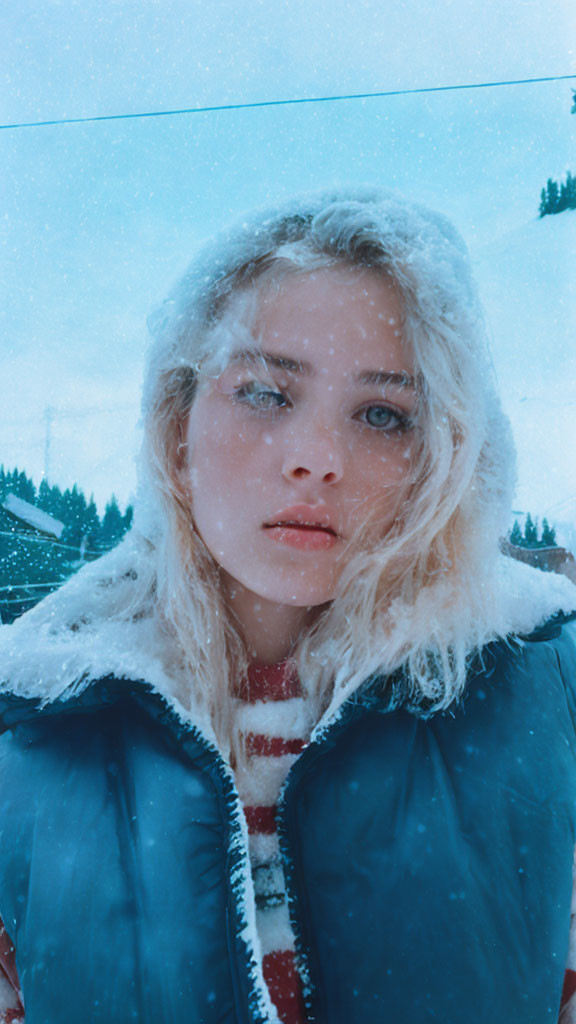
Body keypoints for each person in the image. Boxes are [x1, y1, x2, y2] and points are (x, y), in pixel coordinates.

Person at [0, 187, 575, 1024]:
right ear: (177, 428)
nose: (317, 459)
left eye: (383, 413)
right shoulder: (30, 730)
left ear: (442, 454)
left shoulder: (550, 699)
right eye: (267, 393)